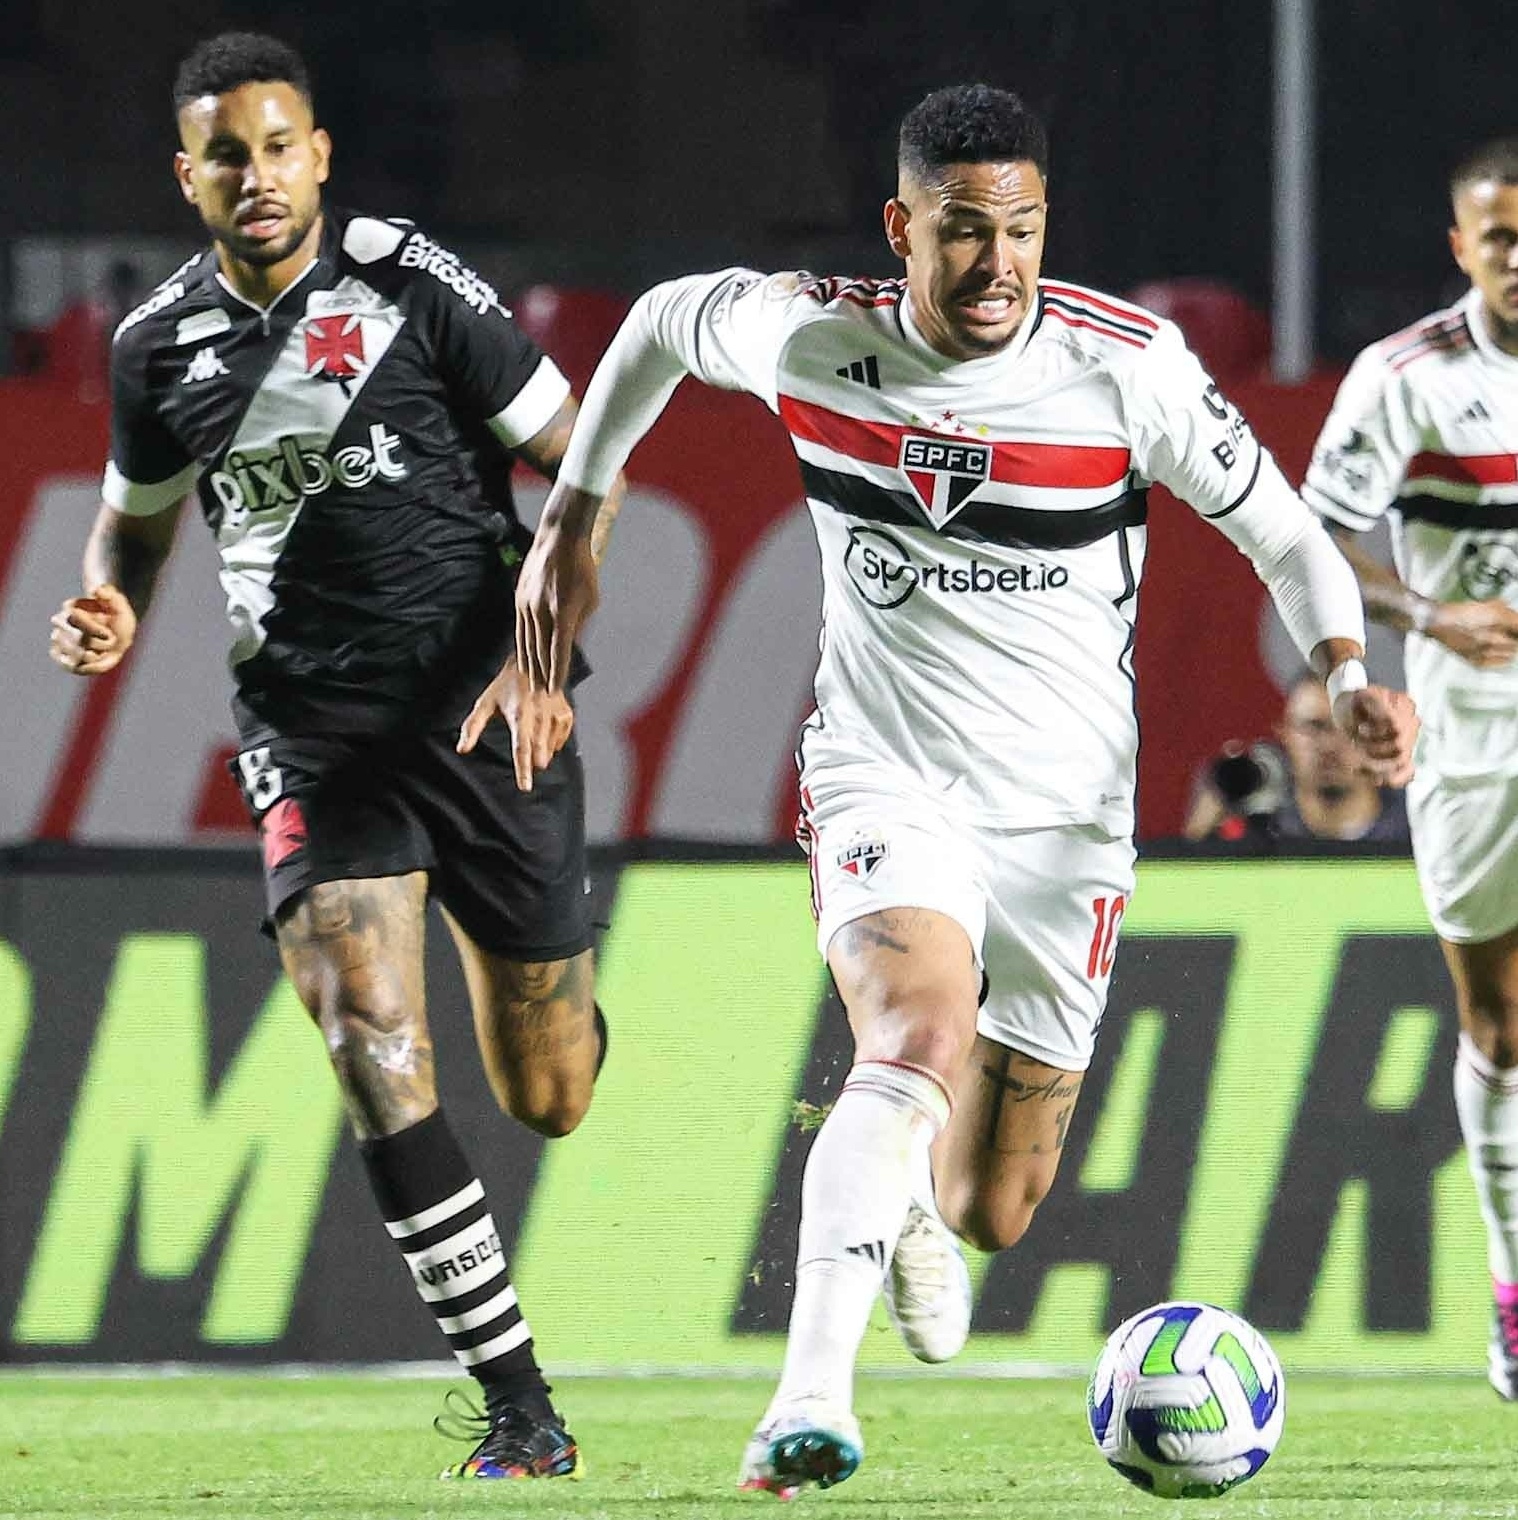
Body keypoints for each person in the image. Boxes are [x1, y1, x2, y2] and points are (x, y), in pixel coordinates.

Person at [512, 82, 1420, 1495]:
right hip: (887, 775)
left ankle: (915, 1212)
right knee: (915, 1033)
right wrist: (577, 507)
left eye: (1019, 231)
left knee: (992, 1207)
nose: (995, 264)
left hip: (1067, 818)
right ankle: (807, 1399)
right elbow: (650, 327)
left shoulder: (1127, 366)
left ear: (1044, 226)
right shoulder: (813, 334)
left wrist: (1350, 666)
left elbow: (1290, 540)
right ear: (901, 228)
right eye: (959, 233)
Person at [45, 31, 620, 1480]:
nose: (257, 173)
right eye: (225, 153)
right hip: (309, 735)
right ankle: (518, 1405)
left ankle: (564, 1008)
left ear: (318, 155)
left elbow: (585, 462)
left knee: (550, 1089)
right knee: (369, 1036)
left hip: (484, 715)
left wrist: (545, 658)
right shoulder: (154, 347)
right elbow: (137, 512)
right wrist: (111, 589)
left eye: (279, 144)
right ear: (189, 177)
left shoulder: (411, 284)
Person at [1302, 137, 1518, 1401]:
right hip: (1477, 734)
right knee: (1500, 1023)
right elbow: (1322, 529)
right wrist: (1427, 618)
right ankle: (1511, 1287)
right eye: (1500, 237)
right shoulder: (1410, 376)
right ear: (1461, 245)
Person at [1183, 671, 1411, 846]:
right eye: (1313, 727)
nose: (1329, 745)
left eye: (1347, 728)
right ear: (1285, 736)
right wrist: (1202, 837)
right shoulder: (1259, 832)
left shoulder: (1418, 830)